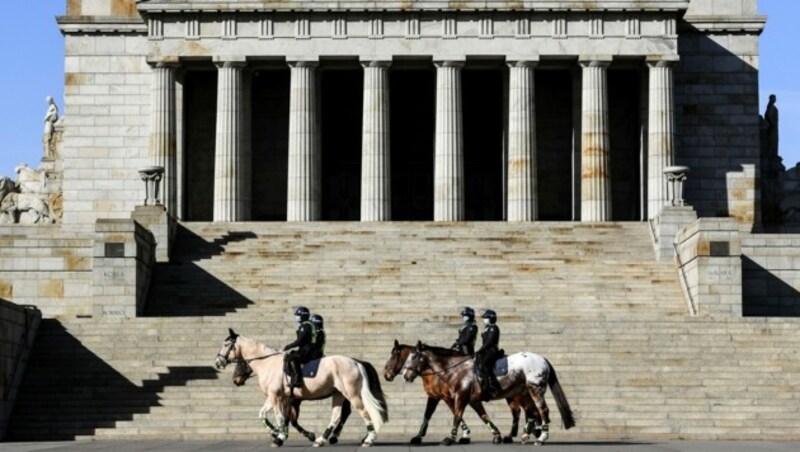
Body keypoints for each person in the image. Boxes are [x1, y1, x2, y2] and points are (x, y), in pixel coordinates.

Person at [283, 306, 318, 389]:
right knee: (291, 354)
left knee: (292, 358)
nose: (296, 317)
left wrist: (289, 346)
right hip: (308, 348)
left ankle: (297, 379)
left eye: (298, 315)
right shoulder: (308, 324)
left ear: (303, 316)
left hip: (307, 350)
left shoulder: (305, 326)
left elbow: (300, 341)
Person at [475, 309, 501, 401]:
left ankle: (491, 386)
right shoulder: (488, 328)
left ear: (491, 319)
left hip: (491, 351)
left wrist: (480, 350)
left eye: (486, 318)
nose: (484, 320)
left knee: (485, 365)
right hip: (486, 351)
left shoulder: (494, 328)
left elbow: (489, 342)